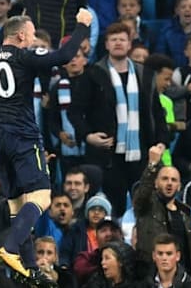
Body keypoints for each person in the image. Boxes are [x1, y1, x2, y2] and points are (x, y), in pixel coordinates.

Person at [0, 10, 93, 286]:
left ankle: (30, 267)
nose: (34, 38)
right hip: (22, 136)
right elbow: (62, 56)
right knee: (42, 196)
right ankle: (11, 248)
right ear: (21, 35)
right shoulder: (23, 56)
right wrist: (82, 27)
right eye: (32, 33)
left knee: (17, 203)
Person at [69, 22, 170, 213]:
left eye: (122, 39)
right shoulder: (92, 74)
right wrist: (88, 136)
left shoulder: (146, 74)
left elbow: (157, 113)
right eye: (113, 39)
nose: (118, 43)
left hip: (141, 153)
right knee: (112, 209)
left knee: (145, 208)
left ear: (129, 44)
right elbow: (74, 112)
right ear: (106, 44)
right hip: (107, 156)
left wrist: (161, 143)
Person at [134, 147, 191, 285]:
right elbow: (142, 194)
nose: (169, 183)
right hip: (150, 276)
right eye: (165, 179)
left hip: (180, 276)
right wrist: (152, 166)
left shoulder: (184, 211)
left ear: (179, 186)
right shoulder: (146, 206)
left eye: (174, 180)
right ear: (155, 183)